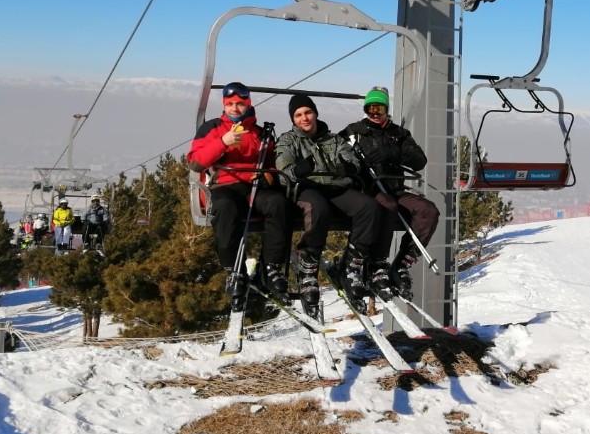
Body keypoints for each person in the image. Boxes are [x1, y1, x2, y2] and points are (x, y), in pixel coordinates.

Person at [187, 81, 295, 305]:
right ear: (224, 105)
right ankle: (234, 270)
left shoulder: (259, 132)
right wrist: (222, 143)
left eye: (240, 104)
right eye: (230, 104)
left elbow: (273, 163)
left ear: (248, 104)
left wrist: (268, 176)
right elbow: (196, 163)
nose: (235, 108)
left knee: (278, 204)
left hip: (256, 186)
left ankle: (271, 267)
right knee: (226, 208)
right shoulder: (213, 128)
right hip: (226, 184)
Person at [275, 93, 380, 311]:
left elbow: (351, 158)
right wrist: (297, 170)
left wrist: (350, 168)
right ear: (293, 119)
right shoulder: (289, 140)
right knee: (317, 208)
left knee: (368, 207)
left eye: (308, 112)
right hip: (308, 189)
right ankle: (308, 267)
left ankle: (351, 264)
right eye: (298, 115)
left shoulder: (333, 139)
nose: (304, 118)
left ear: (315, 113)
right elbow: (282, 167)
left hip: (335, 187)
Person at [341, 86, 439, 300]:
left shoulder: (398, 134)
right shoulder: (354, 132)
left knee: (428, 211)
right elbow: (339, 157)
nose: (374, 114)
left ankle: (402, 263)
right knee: (387, 204)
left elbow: (419, 161)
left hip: (394, 188)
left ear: (386, 109)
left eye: (379, 109)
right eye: (370, 109)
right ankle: (376, 264)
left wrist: (394, 154)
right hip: (369, 190)